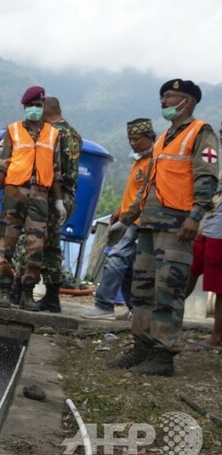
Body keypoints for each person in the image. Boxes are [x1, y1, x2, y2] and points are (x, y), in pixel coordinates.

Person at [106, 79, 219, 376]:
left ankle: (163, 354)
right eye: (163, 96)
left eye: (170, 96)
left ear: (188, 101)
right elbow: (148, 187)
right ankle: (141, 345)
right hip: (148, 224)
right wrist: (127, 219)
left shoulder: (201, 133)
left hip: (177, 225)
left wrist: (195, 216)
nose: (164, 101)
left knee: (168, 290)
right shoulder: (163, 138)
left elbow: (207, 178)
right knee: (143, 290)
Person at [0, 85, 66, 310]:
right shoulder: (12, 131)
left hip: (41, 195)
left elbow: (57, 170)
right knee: (6, 243)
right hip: (13, 192)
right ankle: (3, 290)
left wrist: (58, 201)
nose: (35, 109)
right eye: (31, 105)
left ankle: (27, 293)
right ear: (24, 107)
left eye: (39, 106)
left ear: (43, 107)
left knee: (36, 247)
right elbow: (1, 165)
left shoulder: (53, 134)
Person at [81, 118, 155, 320]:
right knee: (129, 266)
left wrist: (127, 217)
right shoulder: (139, 161)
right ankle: (133, 309)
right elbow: (132, 192)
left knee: (116, 258)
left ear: (149, 137)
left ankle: (104, 304)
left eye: (136, 139)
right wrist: (119, 210)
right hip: (127, 217)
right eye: (130, 139)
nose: (132, 143)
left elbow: (145, 195)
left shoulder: (154, 162)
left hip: (137, 220)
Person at [25, 96, 83, 312]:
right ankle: (52, 296)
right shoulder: (74, 133)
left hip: (51, 194)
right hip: (67, 196)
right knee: (51, 246)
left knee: (34, 243)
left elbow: (51, 168)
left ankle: (24, 291)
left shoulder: (54, 133)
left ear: (45, 111)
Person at [184, 195, 222, 352]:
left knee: (220, 288)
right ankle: (165, 319)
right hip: (210, 229)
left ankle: (216, 337)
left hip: (219, 236)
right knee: (189, 271)